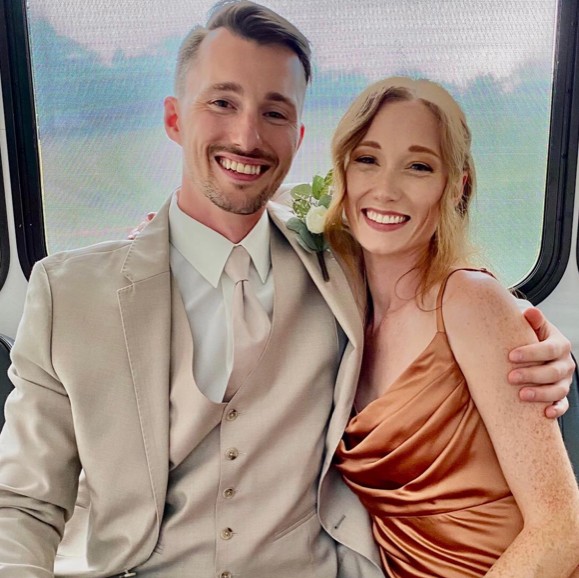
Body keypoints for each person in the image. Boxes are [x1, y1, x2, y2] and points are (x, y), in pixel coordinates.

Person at [0, 3, 574, 578]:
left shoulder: (335, 262)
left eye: (274, 113)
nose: (246, 136)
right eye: (222, 103)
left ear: (298, 138)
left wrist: (533, 336)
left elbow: (438, 288)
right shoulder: (71, 296)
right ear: (175, 119)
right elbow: (22, 506)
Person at [328, 77, 579, 577]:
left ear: (456, 185)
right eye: (368, 159)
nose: (385, 189)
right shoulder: (341, 307)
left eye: (418, 167)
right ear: (343, 171)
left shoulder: (469, 301)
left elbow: (561, 529)